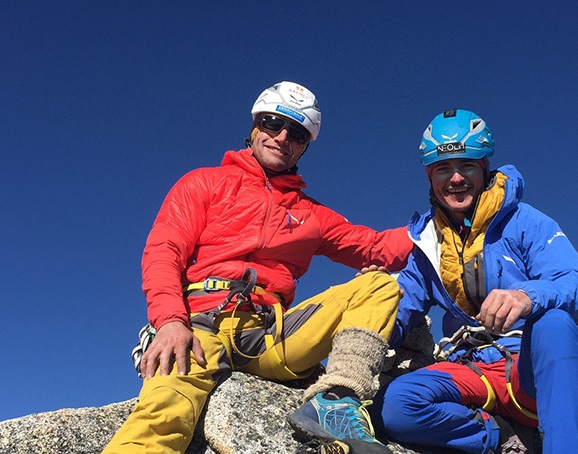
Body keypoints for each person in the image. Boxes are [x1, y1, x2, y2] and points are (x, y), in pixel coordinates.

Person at [102, 81, 413, 454]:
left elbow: (376, 247)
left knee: (376, 285)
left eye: (296, 133)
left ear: (305, 145)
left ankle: (337, 400)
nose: (282, 137)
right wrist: (169, 322)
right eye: (272, 123)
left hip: (270, 332)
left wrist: (440, 221)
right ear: (253, 127)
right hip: (202, 325)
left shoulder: (311, 214)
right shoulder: (205, 182)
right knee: (163, 412)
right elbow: (164, 251)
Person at [372, 109, 578, 454]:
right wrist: (367, 306)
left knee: (555, 322)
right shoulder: (428, 245)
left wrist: (527, 295)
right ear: (429, 176)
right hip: (472, 369)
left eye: (467, 165)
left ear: (485, 168)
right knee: (397, 404)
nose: (456, 178)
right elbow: (399, 313)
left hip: (530, 373)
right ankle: (502, 435)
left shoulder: (525, 221)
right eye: (443, 168)